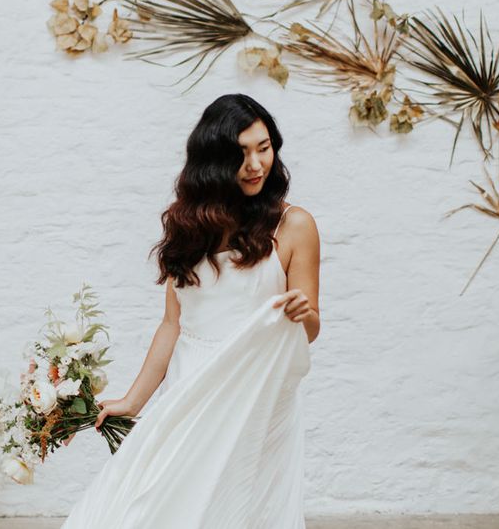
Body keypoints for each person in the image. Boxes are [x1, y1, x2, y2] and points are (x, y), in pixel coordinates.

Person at [60, 93, 321, 528]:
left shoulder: (294, 225)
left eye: (264, 148)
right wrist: (133, 399)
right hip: (189, 383)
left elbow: (311, 328)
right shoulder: (190, 228)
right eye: (241, 155)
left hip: (254, 390)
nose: (257, 164)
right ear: (213, 161)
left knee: (238, 505)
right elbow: (172, 325)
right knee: (151, 500)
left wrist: (301, 312)